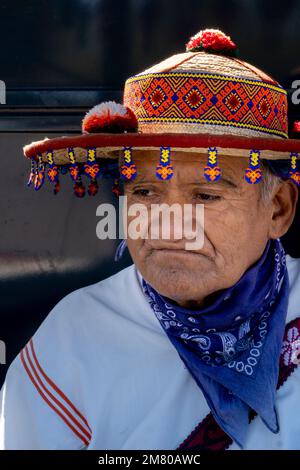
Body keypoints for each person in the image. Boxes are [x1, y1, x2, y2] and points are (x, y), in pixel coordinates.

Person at [1, 28, 300, 450]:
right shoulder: (75, 337)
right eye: (144, 191)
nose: (169, 225)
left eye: (206, 194)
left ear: (279, 210)